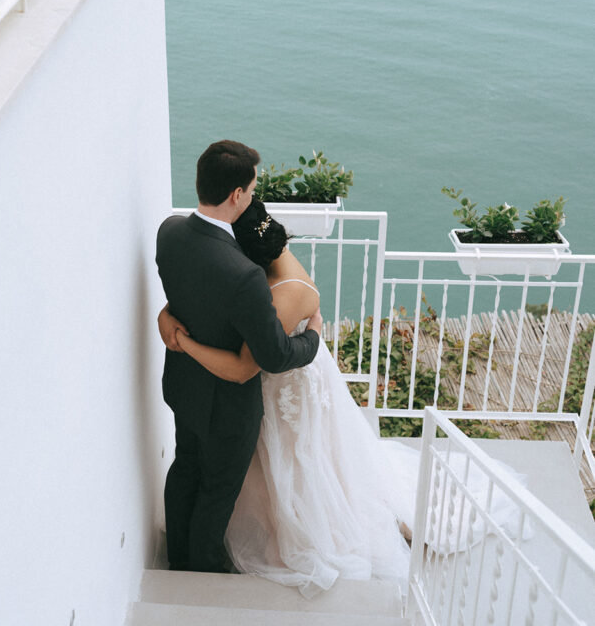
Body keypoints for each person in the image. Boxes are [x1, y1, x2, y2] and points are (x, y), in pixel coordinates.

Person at [169, 198, 529, 598]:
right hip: (278, 381)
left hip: (291, 383)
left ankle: (301, 527)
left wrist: (184, 335)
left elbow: (255, 362)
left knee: (302, 454)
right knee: (278, 457)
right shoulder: (262, 264)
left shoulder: (280, 292)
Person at [156, 141, 322, 575]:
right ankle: (204, 570)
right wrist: (314, 340)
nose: (252, 197)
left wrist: (167, 318)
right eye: (250, 190)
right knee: (218, 488)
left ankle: (179, 558)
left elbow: (185, 294)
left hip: (182, 385)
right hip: (227, 406)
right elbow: (273, 354)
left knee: (185, 466)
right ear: (235, 195)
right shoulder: (244, 275)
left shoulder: (169, 231)